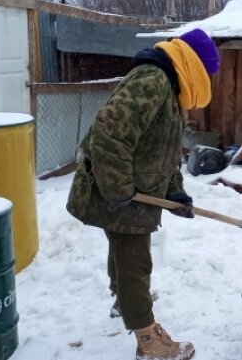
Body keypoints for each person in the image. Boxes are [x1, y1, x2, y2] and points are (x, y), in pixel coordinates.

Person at [66, 28, 220, 360]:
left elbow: (163, 151)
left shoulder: (168, 87)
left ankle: (123, 300)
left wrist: (176, 193)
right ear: (194, 66)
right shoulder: (152, 81)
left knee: (123, 250)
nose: (208, 80)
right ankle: (148, 339)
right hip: (123, 188)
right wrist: (119, 189)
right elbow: (109, 131)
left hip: (132, 188)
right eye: (207, 73)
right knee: (135, 260)